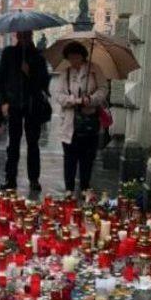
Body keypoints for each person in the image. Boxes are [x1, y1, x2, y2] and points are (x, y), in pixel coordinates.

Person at [0, 30, 50, 193]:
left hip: (32, 105)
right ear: (17, 36)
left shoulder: (38, 56)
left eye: (26, 36)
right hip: (14, 104)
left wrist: (30, 73)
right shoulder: (9, 53)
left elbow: (44, 84)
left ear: (31, 36)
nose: (24, 39)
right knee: (13, 144)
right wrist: (3, 101)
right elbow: (0, 79)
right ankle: (10, 178)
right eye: (21, 36)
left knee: (33, 144)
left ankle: (34, 179)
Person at [52, 41, 107, 196]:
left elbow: (103, 90)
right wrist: (75, 101)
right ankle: (69, 188)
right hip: (70, 123)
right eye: (71, 57)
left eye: (77, 57)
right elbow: (58, 95)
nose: (74, 60)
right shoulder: (66, 73)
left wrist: (90, 99)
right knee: (69, 157)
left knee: (87, 158)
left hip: (89, 121)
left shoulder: (95, 70)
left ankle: (84, 187)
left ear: (83, 56)